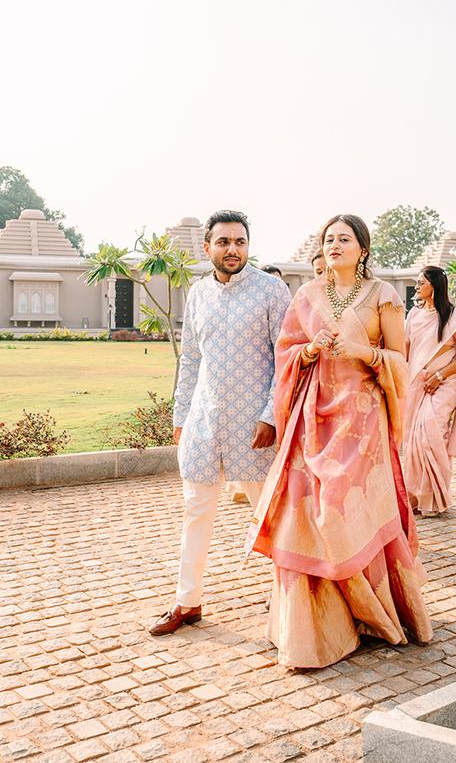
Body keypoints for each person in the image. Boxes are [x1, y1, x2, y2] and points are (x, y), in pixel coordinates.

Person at [246, 214, 432, 668]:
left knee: (343, 509)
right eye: (328, 239)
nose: (334, 245)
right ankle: (311, 625)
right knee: (304, 510)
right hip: (313, 418)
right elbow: (287, 350)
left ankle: (371, 611)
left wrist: (363, 352)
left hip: (362, 420)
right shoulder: (306, 295)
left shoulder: (384, 296)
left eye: (343, 239)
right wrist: (308, 351)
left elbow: (400, 364)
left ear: (362, 249)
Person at [148, 210, 291, 636]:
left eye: (240, 242)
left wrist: (270, 416)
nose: (233, 250)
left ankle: (288, 601)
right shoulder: (198, 294)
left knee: (271, 516)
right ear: (206, 247)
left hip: (255, 429)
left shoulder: (271, 290)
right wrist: (180, 415)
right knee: (196, 513)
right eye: (224, 242)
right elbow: (190, 358)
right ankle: (186, 602)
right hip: (205, 424)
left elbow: (285, 362)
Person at [401, 266, 456, 516]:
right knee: (413, 441)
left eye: (420, 282)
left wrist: (439, 375)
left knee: (430, 435)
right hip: (416, 383)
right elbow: (405, 350)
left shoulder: (454, 316)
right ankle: (415, 498)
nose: (416, 287)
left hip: (444, 385)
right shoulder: (414, 315)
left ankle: (436, 498)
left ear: (434, 286)